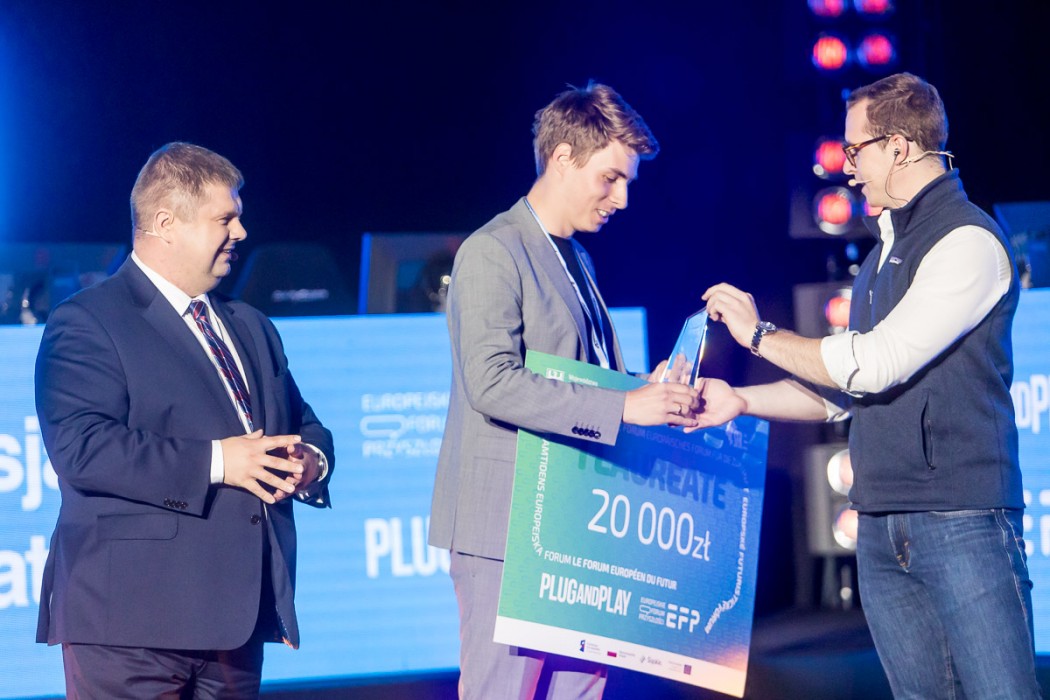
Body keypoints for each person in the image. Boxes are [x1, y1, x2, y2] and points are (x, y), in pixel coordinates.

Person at [697, 73, 1040, 698]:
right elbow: (845, 390)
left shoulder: (966, 241)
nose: (846, 167)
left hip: (961, 519)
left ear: (899, 147)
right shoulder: (880, 258)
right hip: (881, 522)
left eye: (855, 150)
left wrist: (757, 335)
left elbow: (877, 363)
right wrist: (741, 400)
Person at [429, 82, 701, 699]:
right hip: (507, 531)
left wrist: (645, 388)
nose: (622, 198)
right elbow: (491, 382)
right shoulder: (493, 250)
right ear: (561, 159)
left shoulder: (577, 257)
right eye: (610, 178)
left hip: (571, 524)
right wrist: (624, 405)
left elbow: (580, 374)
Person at [35, 142, 335, 698]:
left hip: (234, 625)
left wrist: (309, 460)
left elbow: (304, 423)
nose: (241, 232)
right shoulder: (88, 321)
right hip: (129, 625)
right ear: (165, 225)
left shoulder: (250, 324)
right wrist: (220, 461)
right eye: (225, 219)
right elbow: (82, 447)